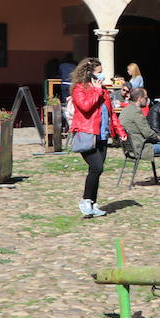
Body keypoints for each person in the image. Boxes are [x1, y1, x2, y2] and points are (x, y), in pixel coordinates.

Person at [69, 57, 125, 218]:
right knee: (96, 167)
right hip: (87, 134)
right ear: (89, 74)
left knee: (96, 171)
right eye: (99, 73)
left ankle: (92, 203)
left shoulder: (105, 91)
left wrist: (120, 131)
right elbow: (85, 107)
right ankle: (85, 201)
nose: (102, 75)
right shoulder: (80, 89)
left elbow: (111, 114)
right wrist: (96, 91)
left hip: (102, 136)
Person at [119, 87, 160, 166]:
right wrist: (159, 138)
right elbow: (148, 133)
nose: (147, 99)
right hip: (140, 148)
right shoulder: (136, 112)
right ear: (140, 98)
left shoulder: (125, 110)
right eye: (146, 97)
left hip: (130, 147)